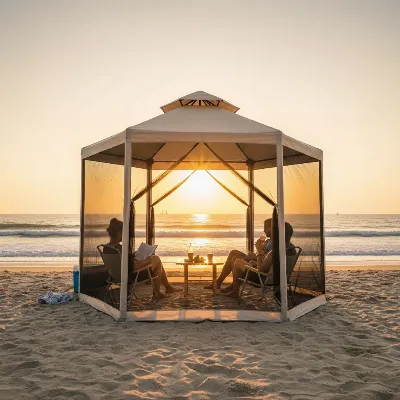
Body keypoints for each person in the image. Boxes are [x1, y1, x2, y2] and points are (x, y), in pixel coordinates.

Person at [105, 218, 181, 300]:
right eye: (123, 232)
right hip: (131, 277)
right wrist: (147, 260)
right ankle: (157, 293)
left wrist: (133, 256)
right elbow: (135, 267)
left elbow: (122, 263)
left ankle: (168, 287)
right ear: (119, 233)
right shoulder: (120, 249)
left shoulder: (106, 248)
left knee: (155, 259)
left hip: (115, 276)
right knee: (157, 259)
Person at [225, 222, 296, 299]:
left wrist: (259, 251)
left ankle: (235, 291)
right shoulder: (292, 249)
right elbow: (269, 264)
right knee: (251, 262)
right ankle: (233, 287)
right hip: (281, 279)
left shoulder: (275, 251)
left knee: (238, 261)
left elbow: (260, 269)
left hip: (263, 280)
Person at [204, 218, 273, 292]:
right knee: (234, 252)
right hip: (256, 260)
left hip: (258, 264)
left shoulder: (274, 243)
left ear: (270, 228)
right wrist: (256, 253)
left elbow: (266, 260)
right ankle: (220, 282)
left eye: (265, 229)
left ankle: (233, 287)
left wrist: (258, 253)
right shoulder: (269, 240)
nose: (264, 231)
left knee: (235, 259)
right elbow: (264, 254)